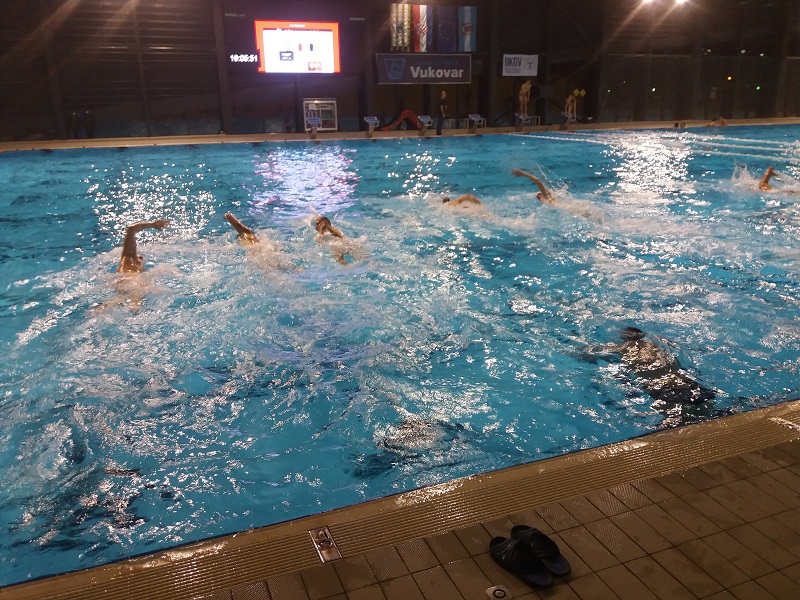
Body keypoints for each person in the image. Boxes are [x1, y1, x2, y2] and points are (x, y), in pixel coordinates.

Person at [590, 326, 716, 405]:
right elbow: (687, 346)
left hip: (662, 389)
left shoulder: (622, 347)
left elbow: (590, 353)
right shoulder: (659, 340)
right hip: (687, 381)